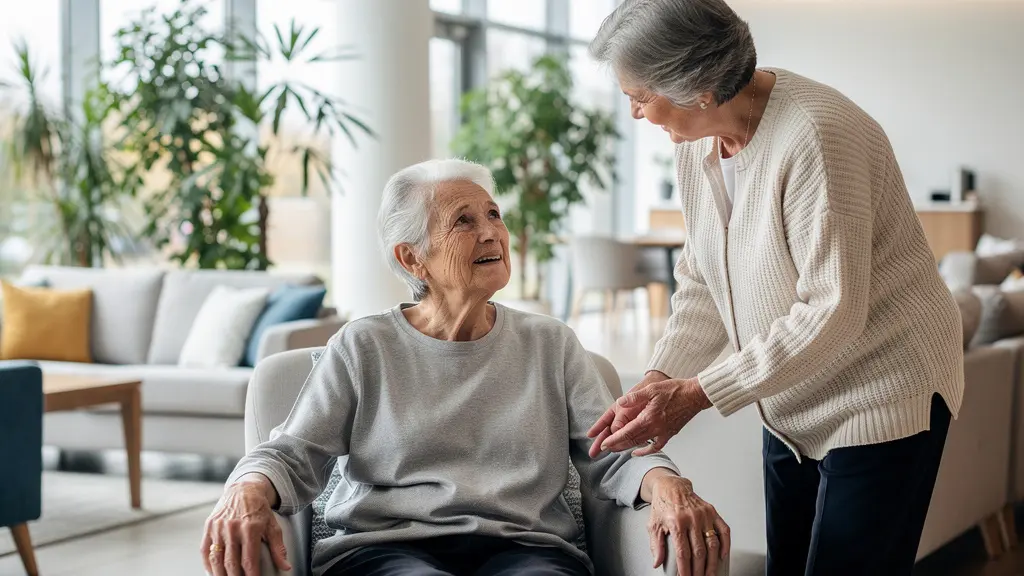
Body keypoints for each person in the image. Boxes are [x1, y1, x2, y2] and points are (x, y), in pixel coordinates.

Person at [200, 159, 730, 576]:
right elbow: (294, 454)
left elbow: (611, 457)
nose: (491, 233)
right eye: (464, 221)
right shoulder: (364, 345)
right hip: (385, 551)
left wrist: (667, 483)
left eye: (494, 214)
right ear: (413, 259)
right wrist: (244, 489)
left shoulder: (551, 343)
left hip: (528, 550)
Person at [585, 1, 965, 575]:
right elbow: (702, 280)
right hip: (791, 400)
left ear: (700, 87)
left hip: (881, 390)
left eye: (640, 96)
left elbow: (831, 312)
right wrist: (661, 378)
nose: (634, 113)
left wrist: (698, 394)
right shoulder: (696, 144)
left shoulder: (818, 136)